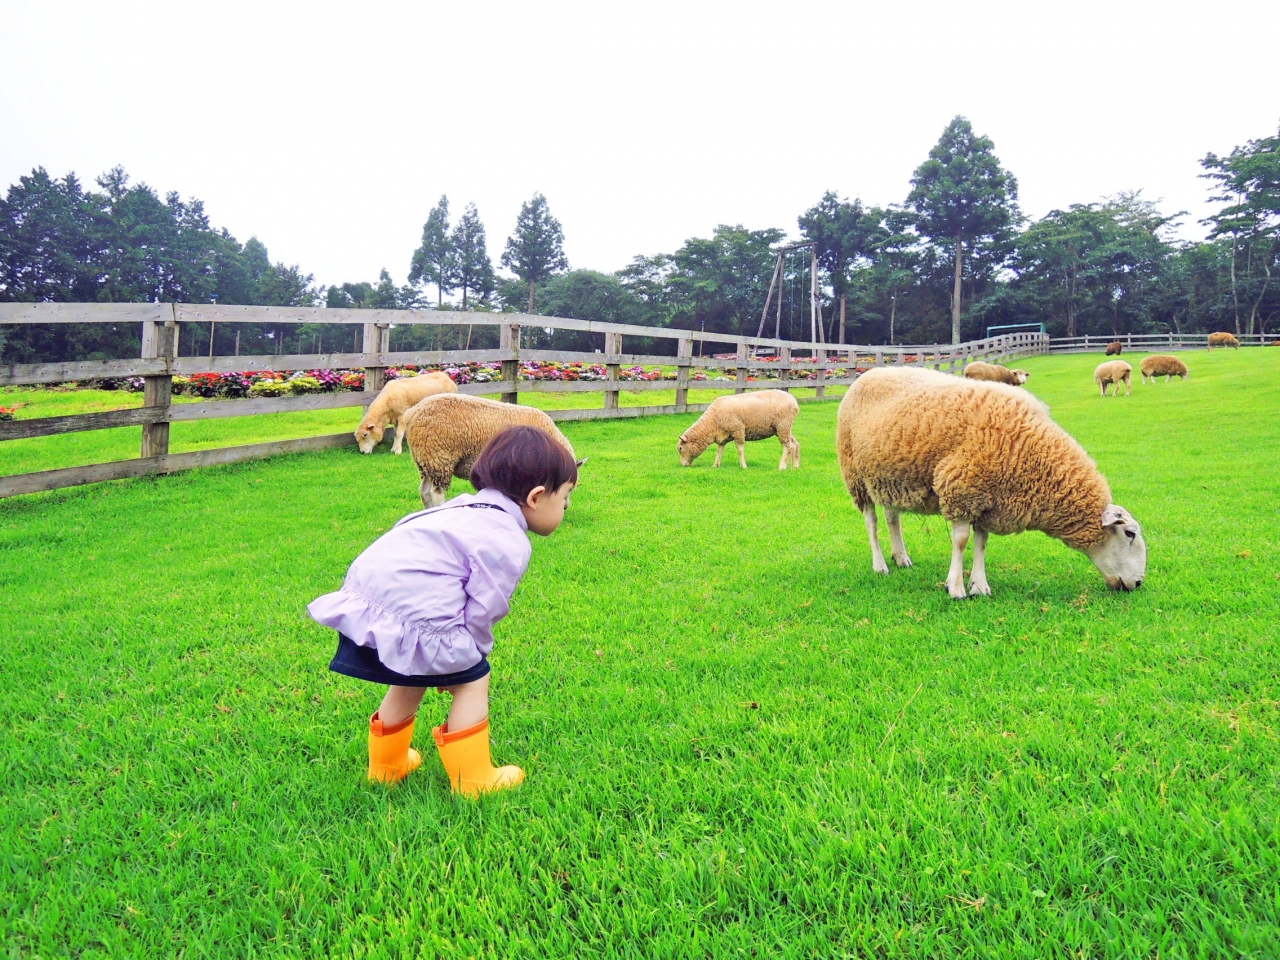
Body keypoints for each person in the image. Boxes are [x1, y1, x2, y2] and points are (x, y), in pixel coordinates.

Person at [308, 426, 578, 796]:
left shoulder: (461, 507)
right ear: (536, 497)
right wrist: (471, 654)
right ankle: (474, 779)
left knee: (407, 675)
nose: (565, 509)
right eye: (564, 499)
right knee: (472, 679)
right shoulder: (506, 537)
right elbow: (485, 606)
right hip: (412, 611)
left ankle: (387, 767)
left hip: (368, 599)